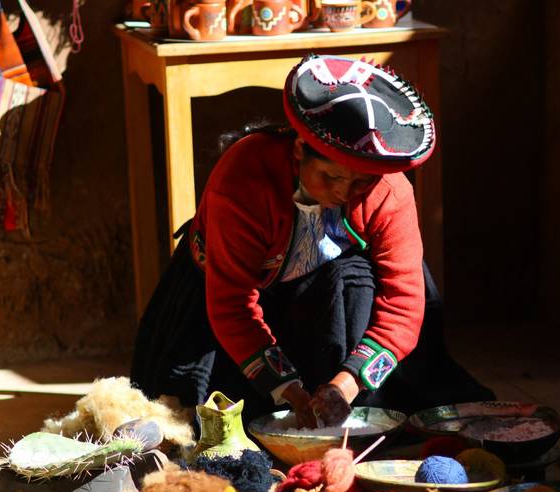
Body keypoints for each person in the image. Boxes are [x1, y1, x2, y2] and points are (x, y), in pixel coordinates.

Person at [131, 54, 493, 428]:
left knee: (358, 290)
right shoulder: (243, 180)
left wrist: (346, 385)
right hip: (222, 298)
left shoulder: (389, 191)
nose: (343, 191)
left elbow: (403, 305)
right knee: (208, 423)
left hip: (325, 300)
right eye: (330, 175)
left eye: (360, 183)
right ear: (300, 150)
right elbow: (233, 306)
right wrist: (286, 389)